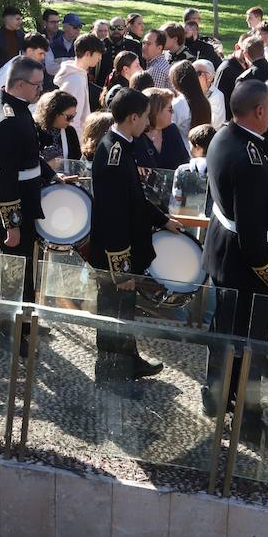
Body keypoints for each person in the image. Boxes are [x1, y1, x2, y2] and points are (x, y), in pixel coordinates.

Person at [203, 80, 268, 447]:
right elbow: (254, 239)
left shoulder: (224, 137)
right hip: (244, 265)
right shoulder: (252, 159)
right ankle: (249, 423)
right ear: (258, 112)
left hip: (222, 251)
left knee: (222, 332)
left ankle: (216, 396)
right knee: (249, 347)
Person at [88, 88, 181, 392]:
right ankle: (112, 374)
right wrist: (122, 269)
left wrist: (162, 219)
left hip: (124, 253)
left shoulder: (123, 144)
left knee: (123, 312)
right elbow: (114, 217)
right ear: (132, 118)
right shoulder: (115, 154)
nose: (147, 123)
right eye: (144, 118)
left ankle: (129, 360)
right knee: (114, 314)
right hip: (116, 256)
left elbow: (135, 199)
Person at [0, 57, 58, 340]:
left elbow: (29, 155)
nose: (41, 90)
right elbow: (6, 178)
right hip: (12, 205)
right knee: (16, 271)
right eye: (37, 85)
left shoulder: (17, 109)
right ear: (18, 84)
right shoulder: (6, 121)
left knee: (26, 269)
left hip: (24, 198)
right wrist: (11, 225)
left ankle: (25, 322)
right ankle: (12, 331)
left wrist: (51, 176)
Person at [53, 33, 104, 129]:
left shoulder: (80, 75)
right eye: (98, 54)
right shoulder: (75, 80)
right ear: (88, 54)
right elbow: (73, 118)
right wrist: (77, 141)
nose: (100, 58)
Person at [0, 33, 50, 107]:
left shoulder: (34, 67)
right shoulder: (11, 67)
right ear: (29, 51)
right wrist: (10, 115)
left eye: (45, 55)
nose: (43, 58)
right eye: (41, 53)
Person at [134, 88, 189, 171]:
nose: (173, 112)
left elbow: (184, 162)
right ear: (156, 111)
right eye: (170, 109)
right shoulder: (136, 135)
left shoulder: (172, 130)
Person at [168, 59, 212, 141]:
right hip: (200, 149)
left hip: (183, 150)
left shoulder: (178, 104)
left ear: (176, 81)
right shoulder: (204, 101)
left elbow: (168, 129)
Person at [34, 89, 81, 167]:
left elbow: (76, 162)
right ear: (53, 113)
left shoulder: (70, 131)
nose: (72, 120)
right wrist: (48, 166)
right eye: (69, 117)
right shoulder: (34, 130)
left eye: (74, 116)